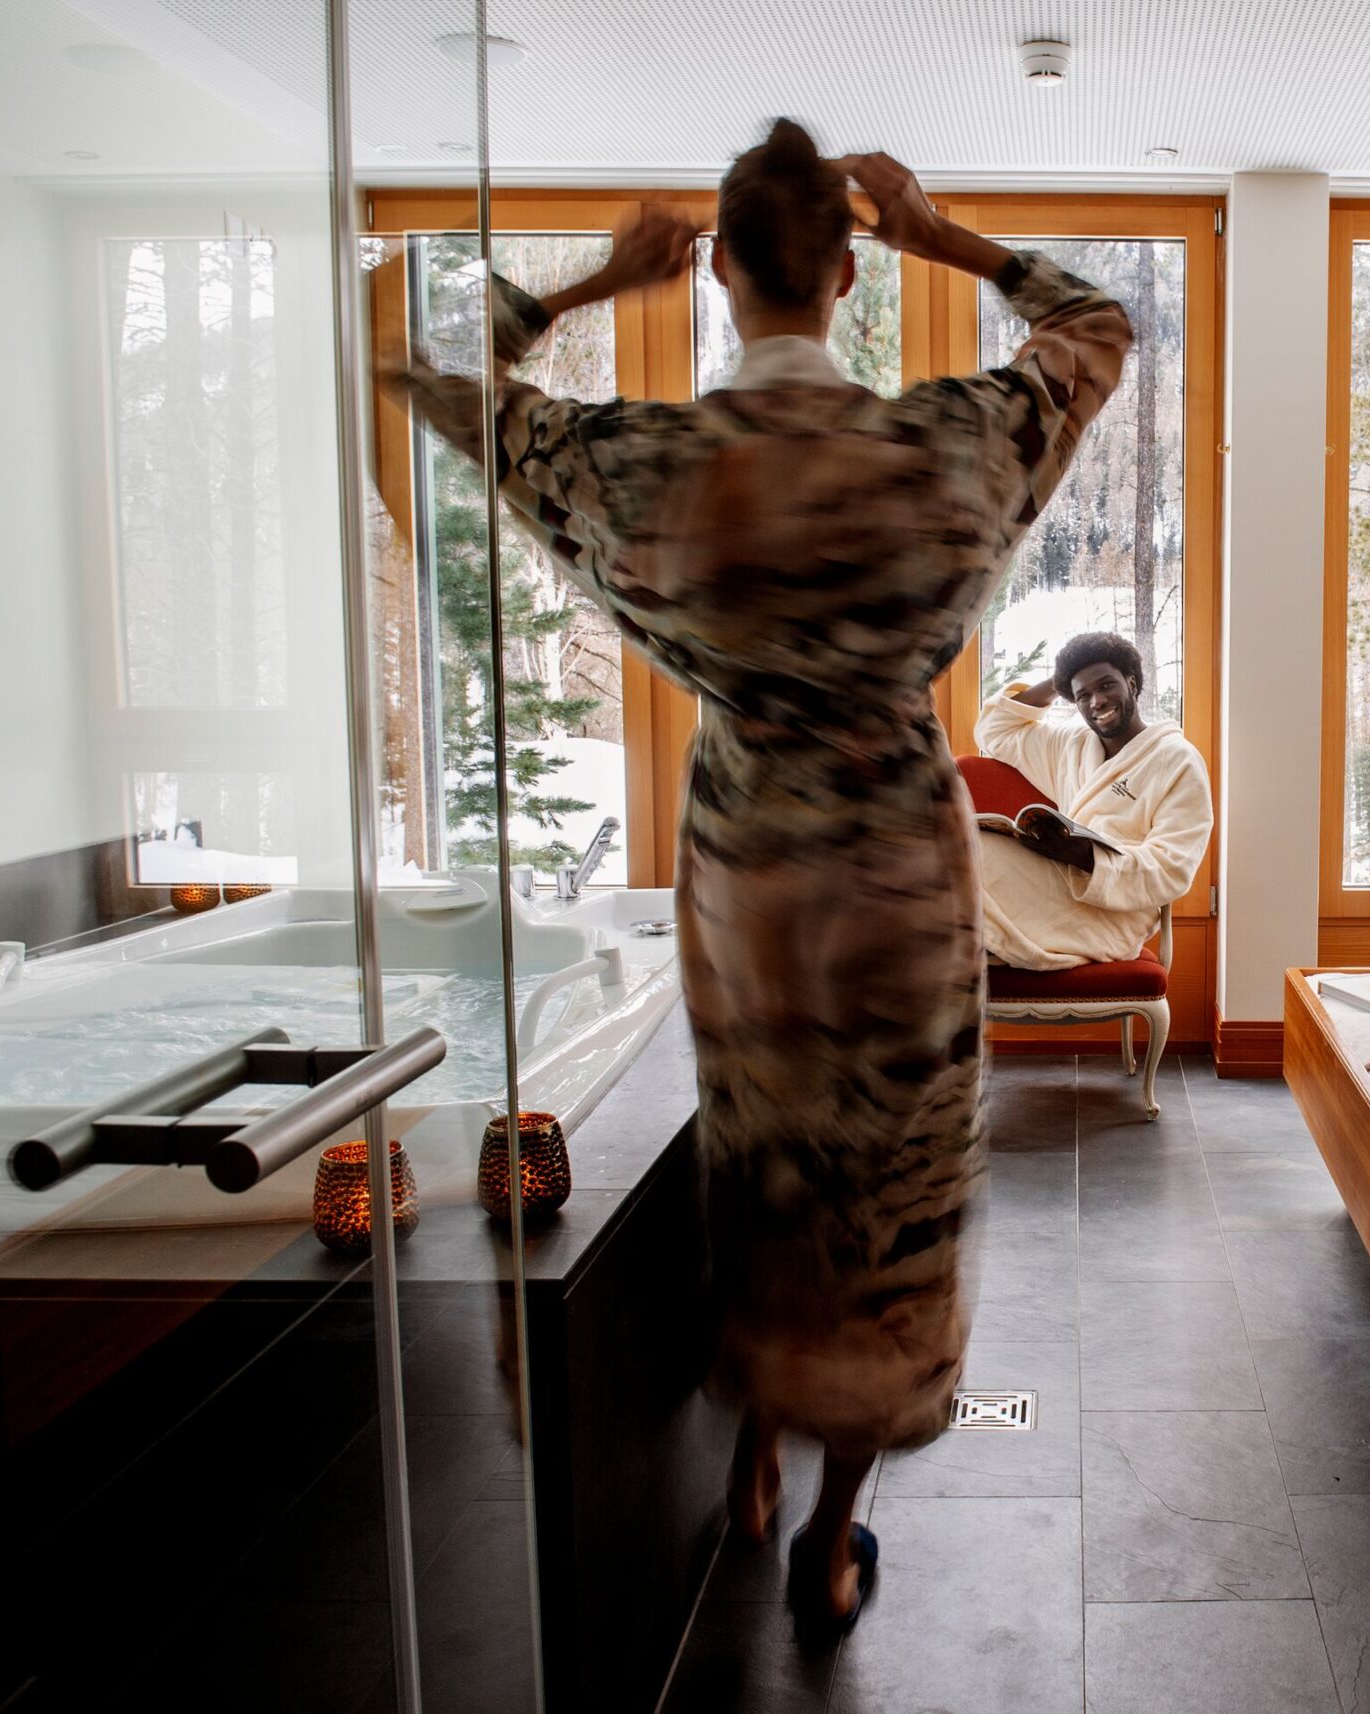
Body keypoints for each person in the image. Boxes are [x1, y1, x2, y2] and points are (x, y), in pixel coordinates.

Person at [381, 119, 1130, 1633]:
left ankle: (752, 1464)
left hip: (751, 868)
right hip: (899, 869)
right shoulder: (943, 447)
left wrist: (593, 282)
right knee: (892, 1190)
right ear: (851, 272)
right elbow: (1097, 328)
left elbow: (419, 378)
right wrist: (948, 238)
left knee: (763, 1161)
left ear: (718, 267)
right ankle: (833, 1532)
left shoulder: (642, 466)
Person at [973, 632, 1213, 969]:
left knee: (971, 861)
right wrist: (1063, 679)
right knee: (965, 846)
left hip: (1115, 914)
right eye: (1083, 695)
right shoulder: (1072, 745)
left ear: (1132, 683)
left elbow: (1172, 868)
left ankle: (982, 945)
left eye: (1106, 685)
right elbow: (995, 730)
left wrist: (1087, 857)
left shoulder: (1177, 759)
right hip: (1058, 884)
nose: (1096, 702)